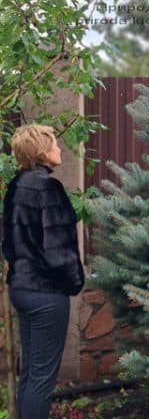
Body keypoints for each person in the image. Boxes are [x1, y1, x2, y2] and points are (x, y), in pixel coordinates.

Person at [1, 123, 85, 419]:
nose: (59, 148)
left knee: (30, 375)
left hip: (21, 289)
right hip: (46, 294)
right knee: (41, 379)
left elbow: (8, 244)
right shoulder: (48, 189)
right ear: (41, 151)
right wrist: (74, 282)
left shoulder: (15, 187)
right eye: (53, 144)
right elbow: (59, 252)